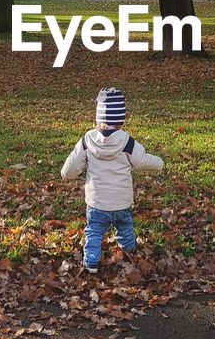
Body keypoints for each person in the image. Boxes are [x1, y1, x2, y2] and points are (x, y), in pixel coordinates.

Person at [60, 87, 164, 274]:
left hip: (97, 203)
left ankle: (91, 262)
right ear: (122, 119)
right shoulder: (127, 142)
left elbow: (73, 164)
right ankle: (129, 249)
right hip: (122, 201)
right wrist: (159, 163)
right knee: (125, 226)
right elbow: (141, 161)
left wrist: (66, 173)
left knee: (94, 231)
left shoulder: (87, 141)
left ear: (98, 118)